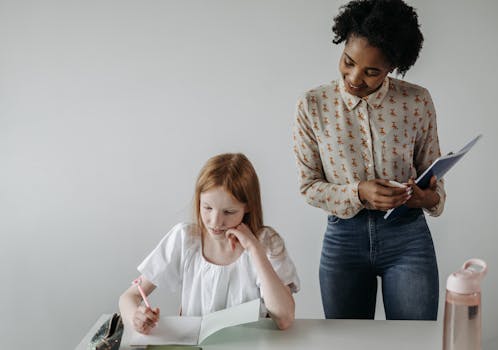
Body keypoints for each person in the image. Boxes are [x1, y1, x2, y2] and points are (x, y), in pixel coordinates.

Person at [292, 0, 444, 320]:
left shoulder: (416, 101)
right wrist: (359, 191)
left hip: (408, 238)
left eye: (372, 71)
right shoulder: (312, 105)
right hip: (343, 239)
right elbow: (308, 186)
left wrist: (424, 197)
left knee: (415, 343)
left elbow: (434, 183)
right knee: (346, 343)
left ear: (393, 67)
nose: (355, 77)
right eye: (348, 61)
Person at [119, 153, 300, 333]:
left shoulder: (267, 242)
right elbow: (129, 297)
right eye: (207, 208)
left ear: (248, 207)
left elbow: (284, 319)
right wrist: (135, 317)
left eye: (228, 212)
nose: (215, 222)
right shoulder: (185, 238)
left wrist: (255, 249)